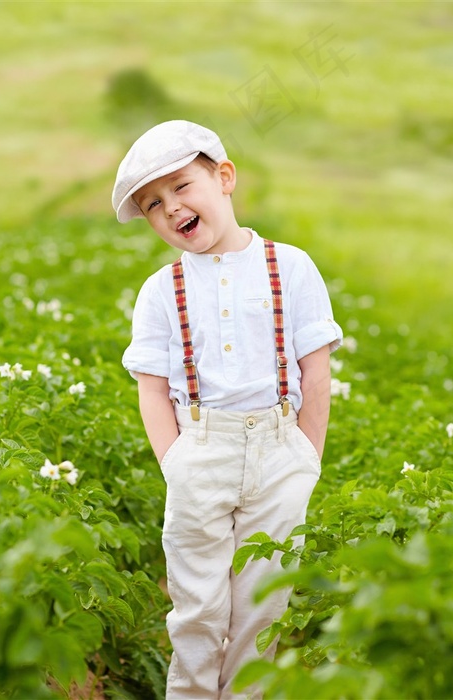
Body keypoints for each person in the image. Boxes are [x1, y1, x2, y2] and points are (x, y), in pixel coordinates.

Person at [112, 120, 343, 700]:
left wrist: (305, 457)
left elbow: (316, 370)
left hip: (279, 449)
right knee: (198, 606)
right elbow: (151, 387)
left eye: (182, 187)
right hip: (200, 452)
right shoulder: (160, 291)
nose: (171, 209)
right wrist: (177, 464)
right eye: (153, 204)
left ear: (224, 177)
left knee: (263, 602)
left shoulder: (290, 266)